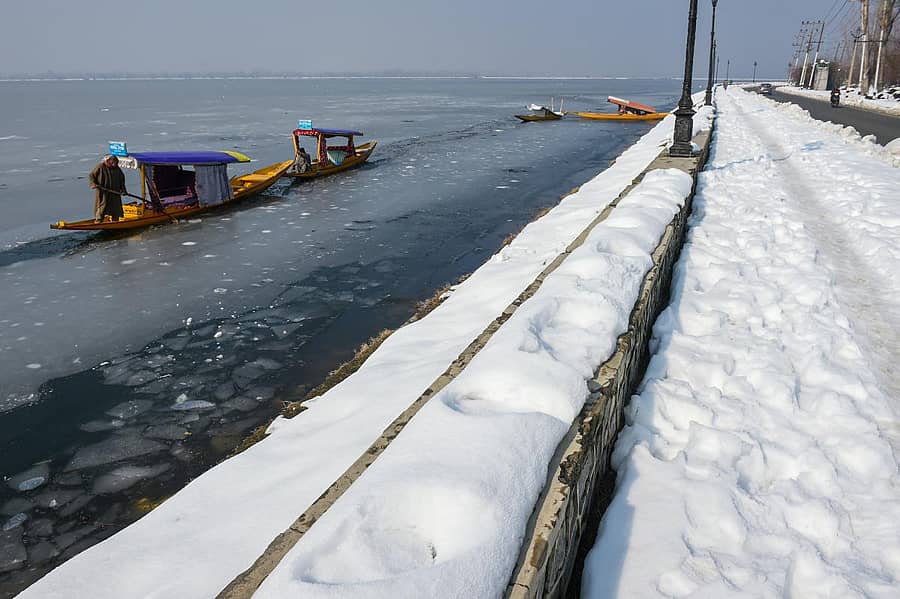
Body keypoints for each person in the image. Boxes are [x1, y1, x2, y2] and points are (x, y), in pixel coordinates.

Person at [89, 155, 126, 223]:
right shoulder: (100, 166)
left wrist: (123, 190)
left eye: (115, 163)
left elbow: (122, 179)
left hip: (115, 192)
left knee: (116, 208)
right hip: (103, 192)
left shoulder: (117, 169)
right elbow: (92, 175)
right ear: (108, 161)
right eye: (113, 163)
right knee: (102, 206)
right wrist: (93, 184)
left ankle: (115, 223)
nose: (114, 165)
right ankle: (98, 221)